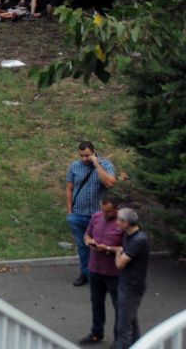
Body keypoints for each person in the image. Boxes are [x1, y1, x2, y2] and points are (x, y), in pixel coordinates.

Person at [66, 141, 117, 287]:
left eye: (87, 155)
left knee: (100, 246)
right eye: (81, 156)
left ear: (94, 152)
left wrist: (96, 165)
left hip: (98, 215)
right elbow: (69, 189)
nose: (84, 159)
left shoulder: (106, 165)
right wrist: (70, 212)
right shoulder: (74, 166)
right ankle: (85, 274)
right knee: (83, 246)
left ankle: (101, 275)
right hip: (77, 213)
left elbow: (109, 183)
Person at [78, 196, 123, 346]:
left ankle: (120, 339)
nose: (105, 214)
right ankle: (97, 333)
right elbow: (87, 233)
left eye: (109, 212)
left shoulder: (124, 223)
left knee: (119, 307)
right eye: (103, 210)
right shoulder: (96, 216)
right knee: (96, 303)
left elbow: (128, 249)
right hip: (94, 269)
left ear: (117, 209)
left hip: (114, 274)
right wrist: (88, 241)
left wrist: (108, 249)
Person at [113, 208, 150, 349]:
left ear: (126, 223)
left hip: (131, 287)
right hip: (129, 285)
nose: (116, 223)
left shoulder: (138, 240)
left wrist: (117, 252)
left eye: (119, 220)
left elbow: (120, 263)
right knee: (131, 320)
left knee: (124, 327)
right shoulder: (130, 235)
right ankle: (138, 345)